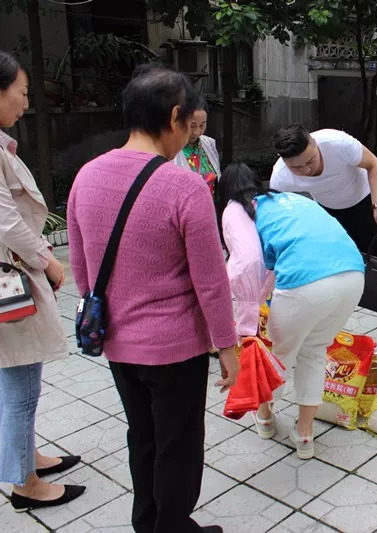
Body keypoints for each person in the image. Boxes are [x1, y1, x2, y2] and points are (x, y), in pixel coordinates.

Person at [68, 64, 239, 533]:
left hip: (118, 345)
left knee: (142, 436)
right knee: (178, 445)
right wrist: (228, 346)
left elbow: (83, 270)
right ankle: (172, 526)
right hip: (175, 349)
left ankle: (148, 521)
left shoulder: (86, 176)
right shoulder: (182, 185)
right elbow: (210, 281)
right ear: (176, 116)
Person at [0, 50, 85, 512]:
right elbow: (6, 223)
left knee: (17, 377)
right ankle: (24, 483)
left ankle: (24, 458)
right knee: (20, 382)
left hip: (11, 272)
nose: (26, 102)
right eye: (23, 92)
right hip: (9, 280)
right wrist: (49, 262)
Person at [270, 124, 377, 342]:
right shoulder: (280, 177)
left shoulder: (337, 143)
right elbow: (278, 213)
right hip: (330, 215)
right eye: (297, 168)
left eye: (310, 161)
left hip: (365, 205)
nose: (307, 170)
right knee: (332, 274)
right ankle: (329, 330)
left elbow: (374, 165)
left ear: (314, 143)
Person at [253, 181, 365, 459]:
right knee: (314, 351)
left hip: (305, 284)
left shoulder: (251, 211)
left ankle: (265, 418)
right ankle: (304, 435)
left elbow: (264, 264)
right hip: (353, 276)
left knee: (280, 355)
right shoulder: (298, 201)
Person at [215, 163, 276, 439]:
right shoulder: (263, 203)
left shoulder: (229, 210)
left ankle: (263, 415)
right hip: (275, 281)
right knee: (272, 348)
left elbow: (241, 258)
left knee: (252, 353)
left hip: (248, 291)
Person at [172, 96, 221, 194]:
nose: (197, 132)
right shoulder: (172, 148)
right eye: (192, 126)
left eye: (202, 125)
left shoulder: (209, 144)